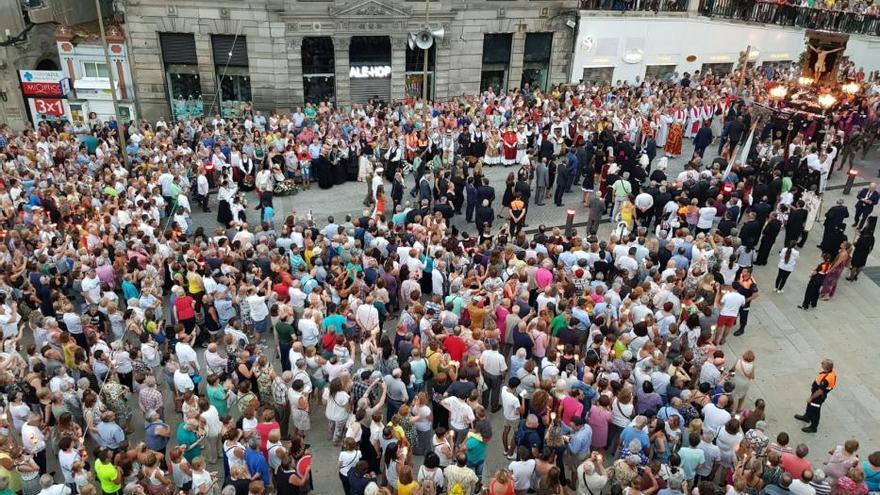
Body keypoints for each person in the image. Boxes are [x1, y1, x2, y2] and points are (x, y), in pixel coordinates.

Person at [794, 359, 837, 433]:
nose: (821, 363)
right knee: (810, 406)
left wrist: (811, 398)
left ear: (827, 367)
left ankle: (813, 427)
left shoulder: (827, 378)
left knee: (815, 412)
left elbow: (820, 391)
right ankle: (806, 417)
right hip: (815, 394)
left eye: (823, 363)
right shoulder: (830, 373)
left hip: (818, 397)